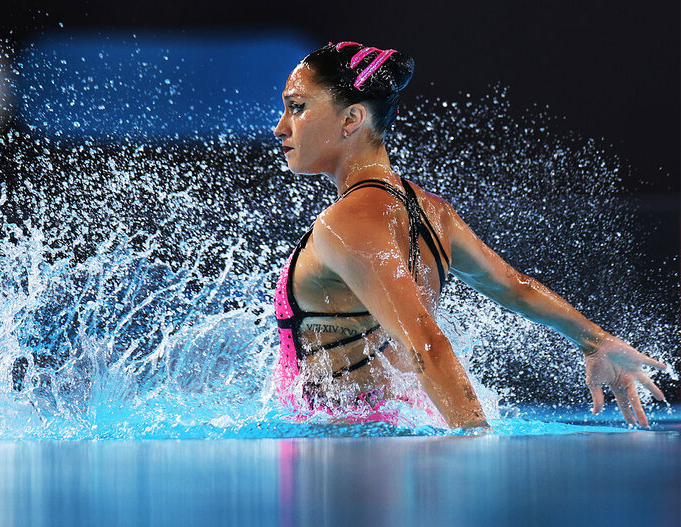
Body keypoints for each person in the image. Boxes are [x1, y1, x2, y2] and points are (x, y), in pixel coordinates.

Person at [271, 41, 668, 430]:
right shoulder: (429, 210)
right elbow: (516, 288)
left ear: (351, 119)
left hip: (350, 453)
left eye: (298, 107)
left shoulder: (347, 222)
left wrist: (475, 438)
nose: (280, 127)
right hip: (396, 430)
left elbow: (426, 342)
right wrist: (596, 342)